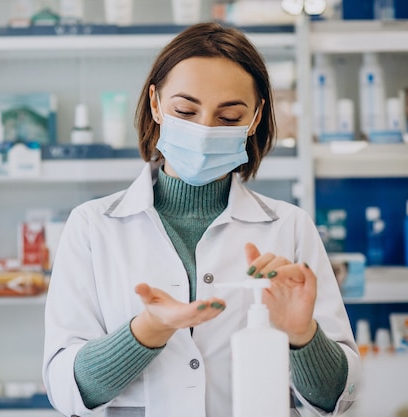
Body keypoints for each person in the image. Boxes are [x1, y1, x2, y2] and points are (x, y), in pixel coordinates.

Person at [42, 22, 360, 417]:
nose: (205, 130)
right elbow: (65, 388)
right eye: (185, 110)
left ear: (256, 117)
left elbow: (336, 399)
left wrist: (302, 337)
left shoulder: (289, 227)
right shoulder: (93, 225)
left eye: (228, 117)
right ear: (156, 104)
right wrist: (147, 331)